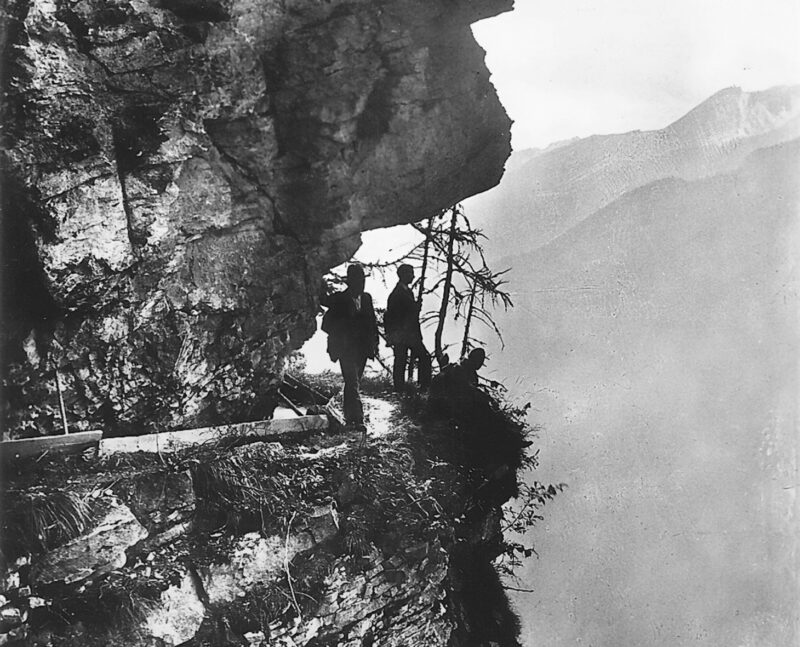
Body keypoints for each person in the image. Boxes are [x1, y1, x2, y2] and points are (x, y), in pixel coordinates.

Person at [321, 265, 378, 430]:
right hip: (346, 349)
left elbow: (372, 324)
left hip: (362, 349)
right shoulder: (339, 299)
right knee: (352, 381)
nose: (361, 284)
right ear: (350, 281)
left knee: (353, 382)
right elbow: (325, 314)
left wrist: (374, 344)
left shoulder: (366, 298)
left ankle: (349, 416)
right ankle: (357, 420)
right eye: (358, 280)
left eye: (363, 280)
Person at [383, 264, 432, 393]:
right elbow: (393, 315)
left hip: (409, 334)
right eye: (410, 273)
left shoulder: (405, 292)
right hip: (403, 334)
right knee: (402, 360)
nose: (413, 276)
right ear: (403, 275)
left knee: (407, 359)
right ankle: (403, 389)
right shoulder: (397, 294)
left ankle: (420, 387)